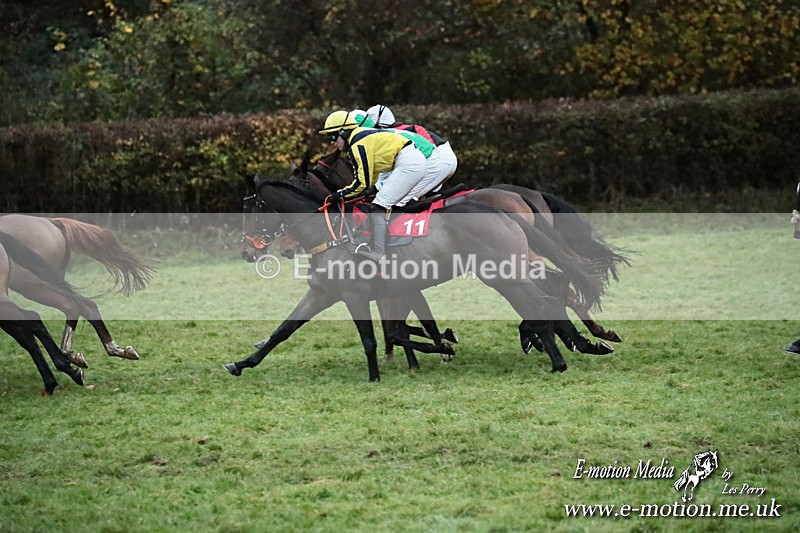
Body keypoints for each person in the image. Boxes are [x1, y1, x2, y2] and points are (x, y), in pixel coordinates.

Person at [318, 110, 428, 261]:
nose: (332, 142)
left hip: (408, 163)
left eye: (333, 136)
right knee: (381, 202)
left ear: (344, 132)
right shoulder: (360, 137)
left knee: (378, 206)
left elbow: (361, 183)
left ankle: (378, 252)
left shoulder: (357, 144)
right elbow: (370, 177)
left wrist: (339, 195)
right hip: (410, 161)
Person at [366, 104, 459, 197]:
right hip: (445, 158)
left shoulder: (394, 134)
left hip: (440, 159)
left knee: (397, 197)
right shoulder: (406, 129)